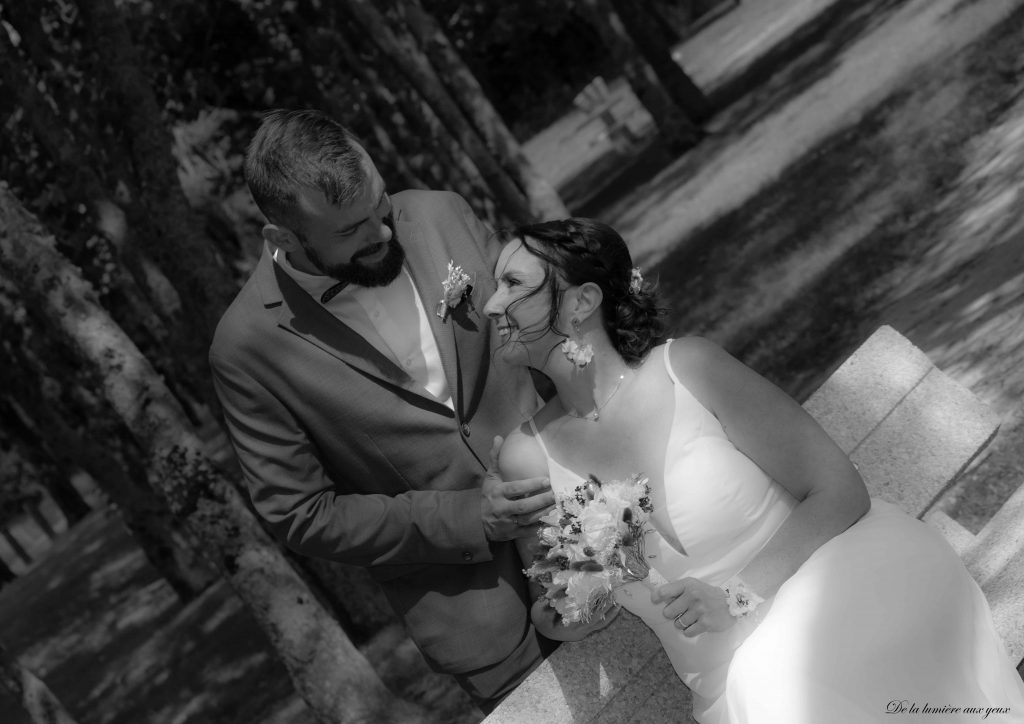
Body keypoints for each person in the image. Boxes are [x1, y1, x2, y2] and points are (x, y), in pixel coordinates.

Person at [483, 217, 1024, 723]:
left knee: (784, 687)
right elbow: (550, 605)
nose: (490, 305)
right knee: (771, 692)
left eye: (512, 284)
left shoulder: (687, 368)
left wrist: (737, 596)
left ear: (582, 301)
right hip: (734, 676)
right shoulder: (527, 457)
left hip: (837, 584)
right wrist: (575, 605)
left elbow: (837, 488)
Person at [209, 109, 558, 712]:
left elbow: (541, 329)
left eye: (380, 206)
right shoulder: (245, 348)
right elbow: (301, 514)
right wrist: (466, 517)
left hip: (594, 519)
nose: (385, 234)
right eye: (352, 232)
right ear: (284, 239)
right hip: (482, 621)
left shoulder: (439, 212)